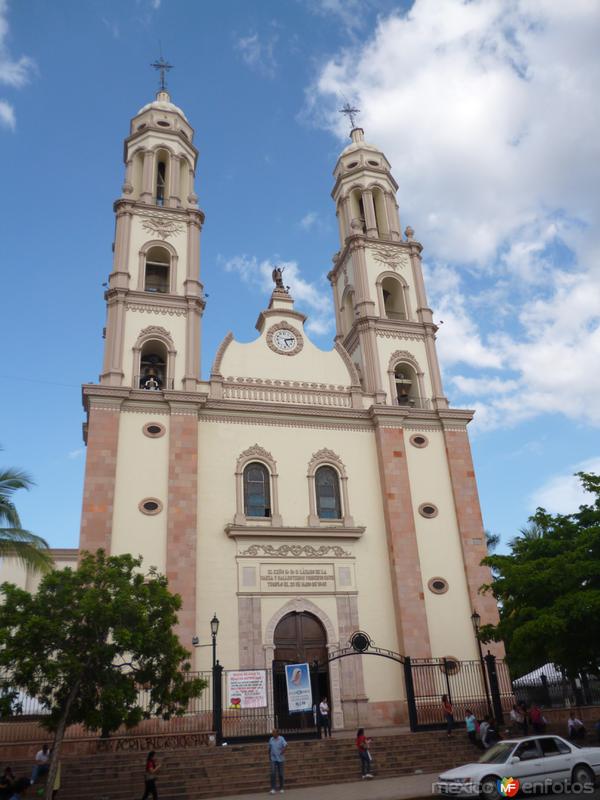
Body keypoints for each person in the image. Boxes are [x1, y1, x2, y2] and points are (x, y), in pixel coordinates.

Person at [268, 728, 287, 794]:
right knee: (273, 773)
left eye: (274, 732)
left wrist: (283, 751)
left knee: (281, 774)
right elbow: (269, 748)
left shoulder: (281, 738)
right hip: (273, 758)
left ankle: (281, 788)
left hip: (280, 759)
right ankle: (273, 788)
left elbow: (285, 745)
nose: (273, 734)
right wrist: (269, 757)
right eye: (272, 732)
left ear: (277, 733)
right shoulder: (271, 739)